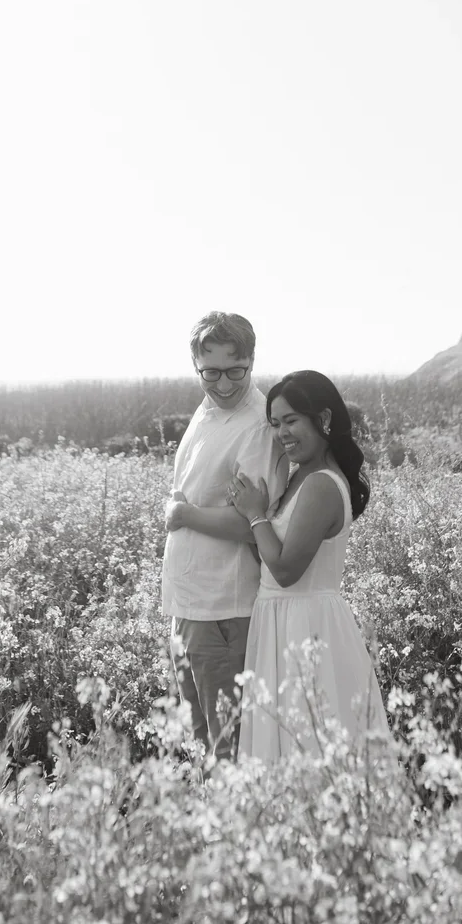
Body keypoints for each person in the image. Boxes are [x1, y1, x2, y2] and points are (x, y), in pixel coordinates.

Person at [227, 369, 389, 762]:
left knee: (310, 745)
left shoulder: (320, 484)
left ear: (325, 420)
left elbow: (285, 570)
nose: (282, 433)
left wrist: (254, 515)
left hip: (305, 626)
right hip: (283, 619)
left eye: (292, 421)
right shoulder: (302, 475)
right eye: (275, 424)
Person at [161, 311, 289, 759]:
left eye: (237, 371)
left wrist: (182, 514)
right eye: (210, 373)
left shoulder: (257, 426)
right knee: (201, 744)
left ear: (253, 360)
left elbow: (250, 525)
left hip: (223, 607)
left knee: (226, 747)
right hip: (188, 602)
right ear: (195, 365)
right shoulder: (208, 410)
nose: (224, 384)